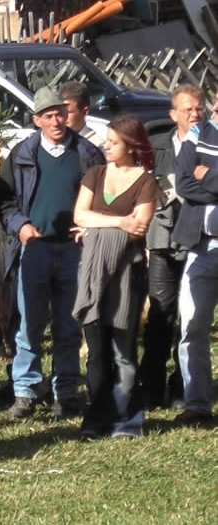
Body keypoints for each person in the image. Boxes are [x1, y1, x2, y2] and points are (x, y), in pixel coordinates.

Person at [0, 87, 105, 419]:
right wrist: (21, 225)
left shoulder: (88, 154)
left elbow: (104, 197)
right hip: (35, 249)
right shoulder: (21, 155)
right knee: (29, 325)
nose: (56, 120)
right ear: (36, 121)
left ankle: (66, 392)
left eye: (60, 113)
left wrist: (91, 226)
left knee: (69, 325)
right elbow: (4, 201)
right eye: (48, 116)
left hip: (74, 251)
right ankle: (26, 392)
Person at [72, 114, 162, 439]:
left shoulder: (146, 182)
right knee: (96, 353)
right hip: (93, 274)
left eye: (112, 142)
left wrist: (94, 230)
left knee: (124, 350)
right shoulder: (94, 174)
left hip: (128, 274)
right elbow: (79, 215)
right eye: (106, 141)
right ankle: (95, 419)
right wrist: (119, 223)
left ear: (131, 145)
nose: (105, 146)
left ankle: (126, 420)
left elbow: (139, 227)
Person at [140, 84, 205, 411]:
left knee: (190, 319)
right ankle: (150, 387)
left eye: (198, 110)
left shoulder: (211, 145)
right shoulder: (157, 147)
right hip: (163, 242)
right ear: (173, 114)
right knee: (160, 316)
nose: (194, 115)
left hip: (197, 241)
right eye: (188, 110)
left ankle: (182, 387)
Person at [170, 91, 218, 426]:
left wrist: (209, 176)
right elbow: (185, 184)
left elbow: (199, 180)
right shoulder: (200, 135)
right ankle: (197, 403)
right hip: (201, 247)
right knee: (192, 325)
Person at [59, 81, 105, 148]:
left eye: (68, 112)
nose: (62, 117)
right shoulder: (52, 142)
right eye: (60, 112)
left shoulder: (96, 146)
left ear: (84, 112)